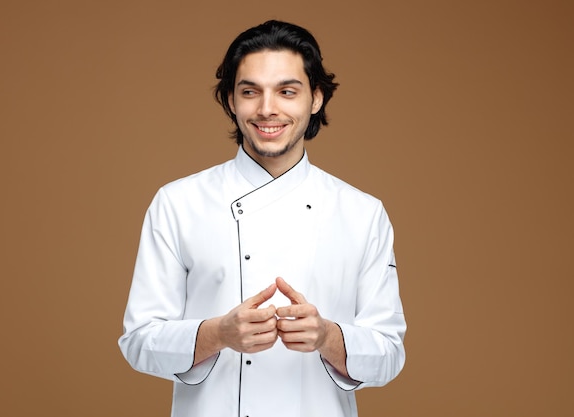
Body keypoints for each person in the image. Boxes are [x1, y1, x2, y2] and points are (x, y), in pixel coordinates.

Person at [118, 20, 406, 417]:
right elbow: (138, 342)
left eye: (287, 91)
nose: (267, 108)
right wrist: (218, 333)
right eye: (250, 91)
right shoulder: (178, 203)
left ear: (316, 98)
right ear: (232, 101)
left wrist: (327, 336)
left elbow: (389, 354)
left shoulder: (362, 213)